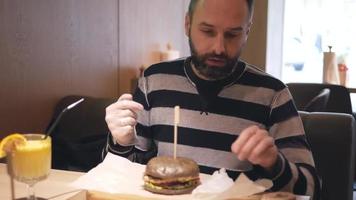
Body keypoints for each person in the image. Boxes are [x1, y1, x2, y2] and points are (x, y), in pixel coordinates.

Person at [103, 0, 320, 198]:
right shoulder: (154, 81)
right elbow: (127, 175)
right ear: (187, 24)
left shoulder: (273, 94)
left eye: (232, 34)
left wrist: (274, 162)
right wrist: (120, 143)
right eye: (207, 31)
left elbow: (311, 188)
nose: (219, 48)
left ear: (247, 31)